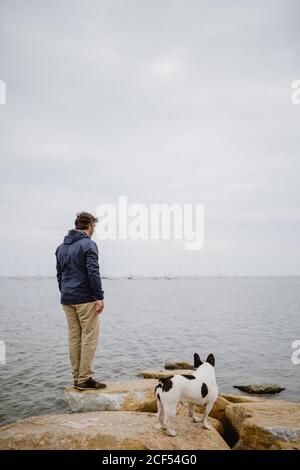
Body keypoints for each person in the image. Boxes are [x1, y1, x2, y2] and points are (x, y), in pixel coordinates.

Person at [55, 212, 106, 390]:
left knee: (74, 338)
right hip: (84, 298)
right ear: (90, 226)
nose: (94, 231)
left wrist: (66, 292)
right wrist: (99, 296)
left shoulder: (61, 247)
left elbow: (59, 275)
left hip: (67, 298)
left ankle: (77, 377)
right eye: (94, 227)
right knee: (89, 337)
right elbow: (93, 272)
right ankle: (85, 378)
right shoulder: (89, 245)